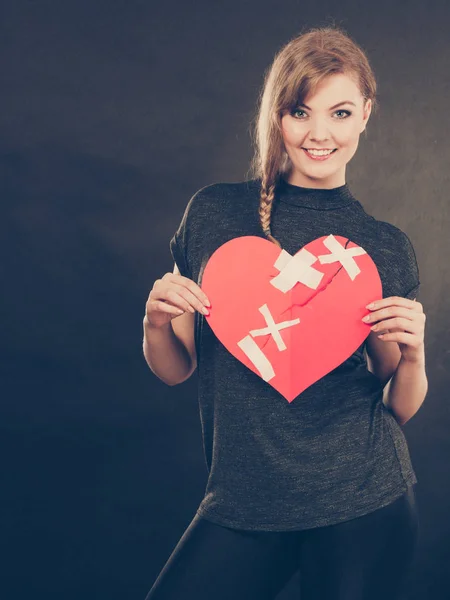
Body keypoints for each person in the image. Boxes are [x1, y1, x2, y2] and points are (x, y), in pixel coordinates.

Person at [142, 24, 427, 600]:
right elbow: (177, 368)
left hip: (363, 503)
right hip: (242, 500)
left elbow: (398, 405)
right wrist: (153, 323)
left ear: (366, 114)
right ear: (277, 116)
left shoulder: (383, 246)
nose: (319, 133)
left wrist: (415, 353)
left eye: (340, 113)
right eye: (300, 112)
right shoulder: (214, 216)